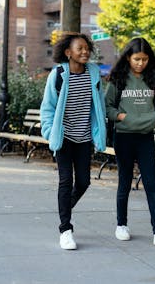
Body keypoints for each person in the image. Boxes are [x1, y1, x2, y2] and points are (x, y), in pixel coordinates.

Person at [105, 37, 155, 246]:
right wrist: (122, 117)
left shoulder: (153, 79)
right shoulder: (118, 79)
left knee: (151, 183)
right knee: (124, 182)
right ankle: (121, 225)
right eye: (136, 59)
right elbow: (108, 107)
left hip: (146, 137)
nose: (140, 63)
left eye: (144, 59)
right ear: (128, 57)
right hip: (124, 137)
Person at [40, 32, 107, 250]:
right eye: (80, 48)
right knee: (66, 180)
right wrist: (50, 132)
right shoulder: (58, 74)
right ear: (68, 53)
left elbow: (99, 106)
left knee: (84, 182)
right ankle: (65, 229)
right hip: (64, 137)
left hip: (84, 138)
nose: (85, 51)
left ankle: (63, 210)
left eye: (87, 48)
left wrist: (99, 133)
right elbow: (48, 107)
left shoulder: (94, 73)